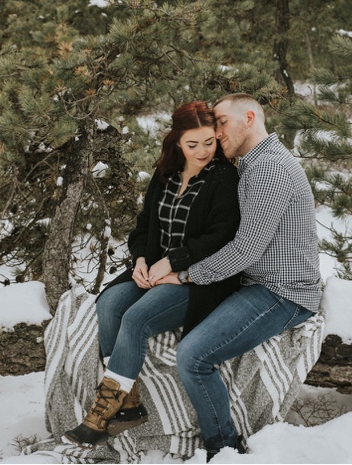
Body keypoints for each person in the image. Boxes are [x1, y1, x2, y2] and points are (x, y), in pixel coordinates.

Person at [148, 93, 323, 461]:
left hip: (282, 292)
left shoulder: (269, 169)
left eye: (222, 123)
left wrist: (185, 275)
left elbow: (245, 250)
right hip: (251, 282)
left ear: (249, 117)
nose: (216, 131)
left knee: (192, 356)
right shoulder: (249, 165)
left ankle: (223, 448)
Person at [64, 101, 243, 448]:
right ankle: (129, 405)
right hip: (154, 267)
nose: (203, 151)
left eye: (209, 142)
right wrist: (141, 259)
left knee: (137, 318)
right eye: (193, 144)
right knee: (110, 303)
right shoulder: (165, 175)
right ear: (177, 142)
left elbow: (221, 235)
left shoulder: (224, 178)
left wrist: (172, 262)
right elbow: (145, 226)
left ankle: (103, 410)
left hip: (197, 276)